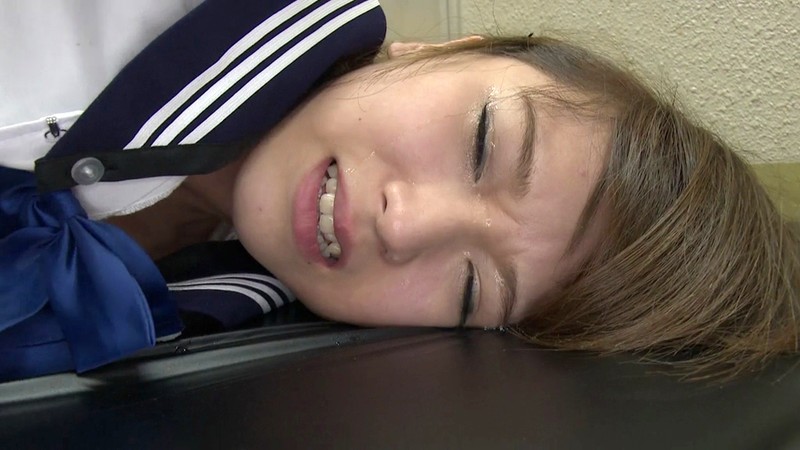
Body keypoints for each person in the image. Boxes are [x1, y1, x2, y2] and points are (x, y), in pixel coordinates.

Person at [1, 0, 797, 381]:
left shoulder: (232, 326)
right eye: (482, 143)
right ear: (442, 51)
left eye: (472, 287)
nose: (405, 224)